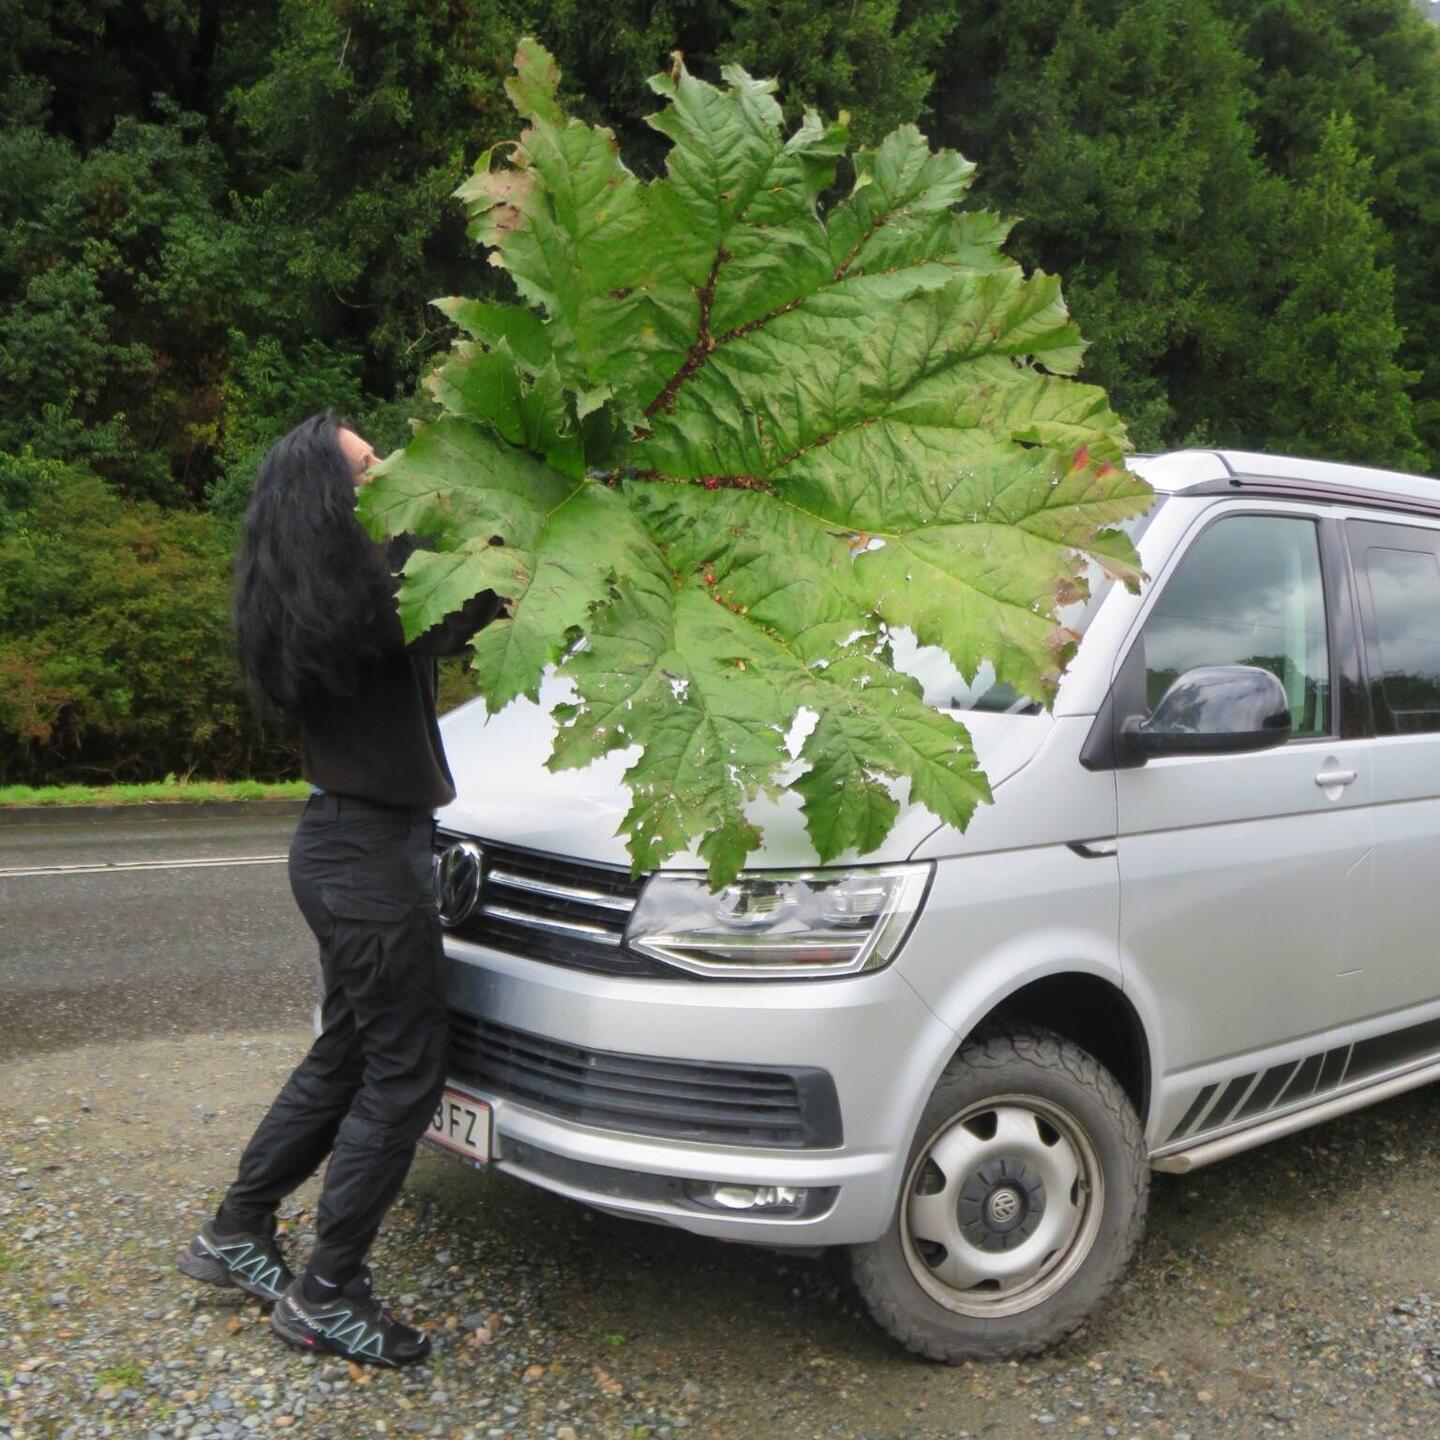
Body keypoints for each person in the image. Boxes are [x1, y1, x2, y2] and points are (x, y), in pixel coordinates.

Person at [178, 412, 502, 1366]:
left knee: (346, 1054)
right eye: (369, 468)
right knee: (405, 1070)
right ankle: (329, 1290)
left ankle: (238, 1230)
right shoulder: (365, 594)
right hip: (366, 856)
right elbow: (464, 603)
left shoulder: (318, 592)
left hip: (336, 846)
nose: (388, 475)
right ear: (330, 493)